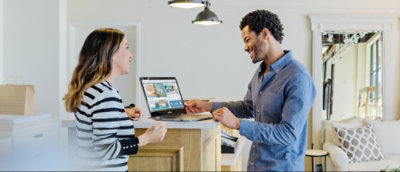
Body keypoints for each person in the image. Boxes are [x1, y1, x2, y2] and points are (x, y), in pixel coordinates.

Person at [185, 10, 316, 171]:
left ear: (265, 34)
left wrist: (237, 124)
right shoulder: (261, 72)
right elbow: (248, 107)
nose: (245, 48)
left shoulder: (298, 77)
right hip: (257, 165)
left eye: (248, 40)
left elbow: (288, 133)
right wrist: (206, 106)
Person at [63, 28, 167, 171]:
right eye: (126, 48)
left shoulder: (93, 90)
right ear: (110, 53)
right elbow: (106, 150)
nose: (131, 55)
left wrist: (122, 112)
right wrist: (147, 138)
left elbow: (95, 119)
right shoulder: (105, 94)